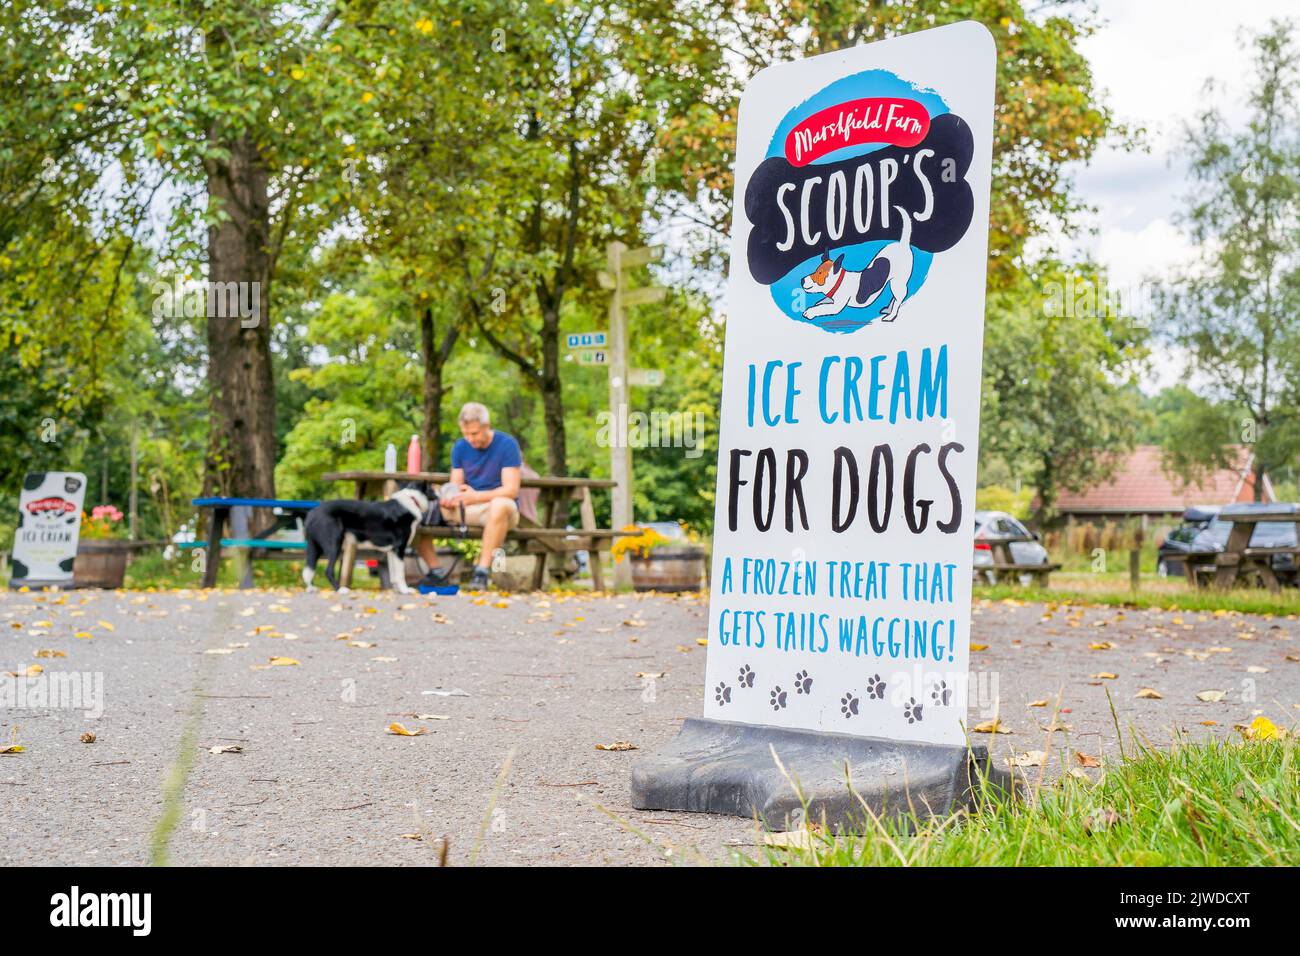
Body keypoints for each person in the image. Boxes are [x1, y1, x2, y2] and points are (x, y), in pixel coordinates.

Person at [416, 402, 521, 590]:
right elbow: (456, 484)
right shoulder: (460, 447)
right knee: (415, 510)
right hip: (467, 508)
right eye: (465, 434)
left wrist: (477, 497)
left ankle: (481, 572)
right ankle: (436, 572)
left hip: (498, 510)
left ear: (486, 426)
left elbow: (511, 490)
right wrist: (449, 497)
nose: (470, 439)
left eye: (474, 433)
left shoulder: (507, 445)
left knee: (500, 505)